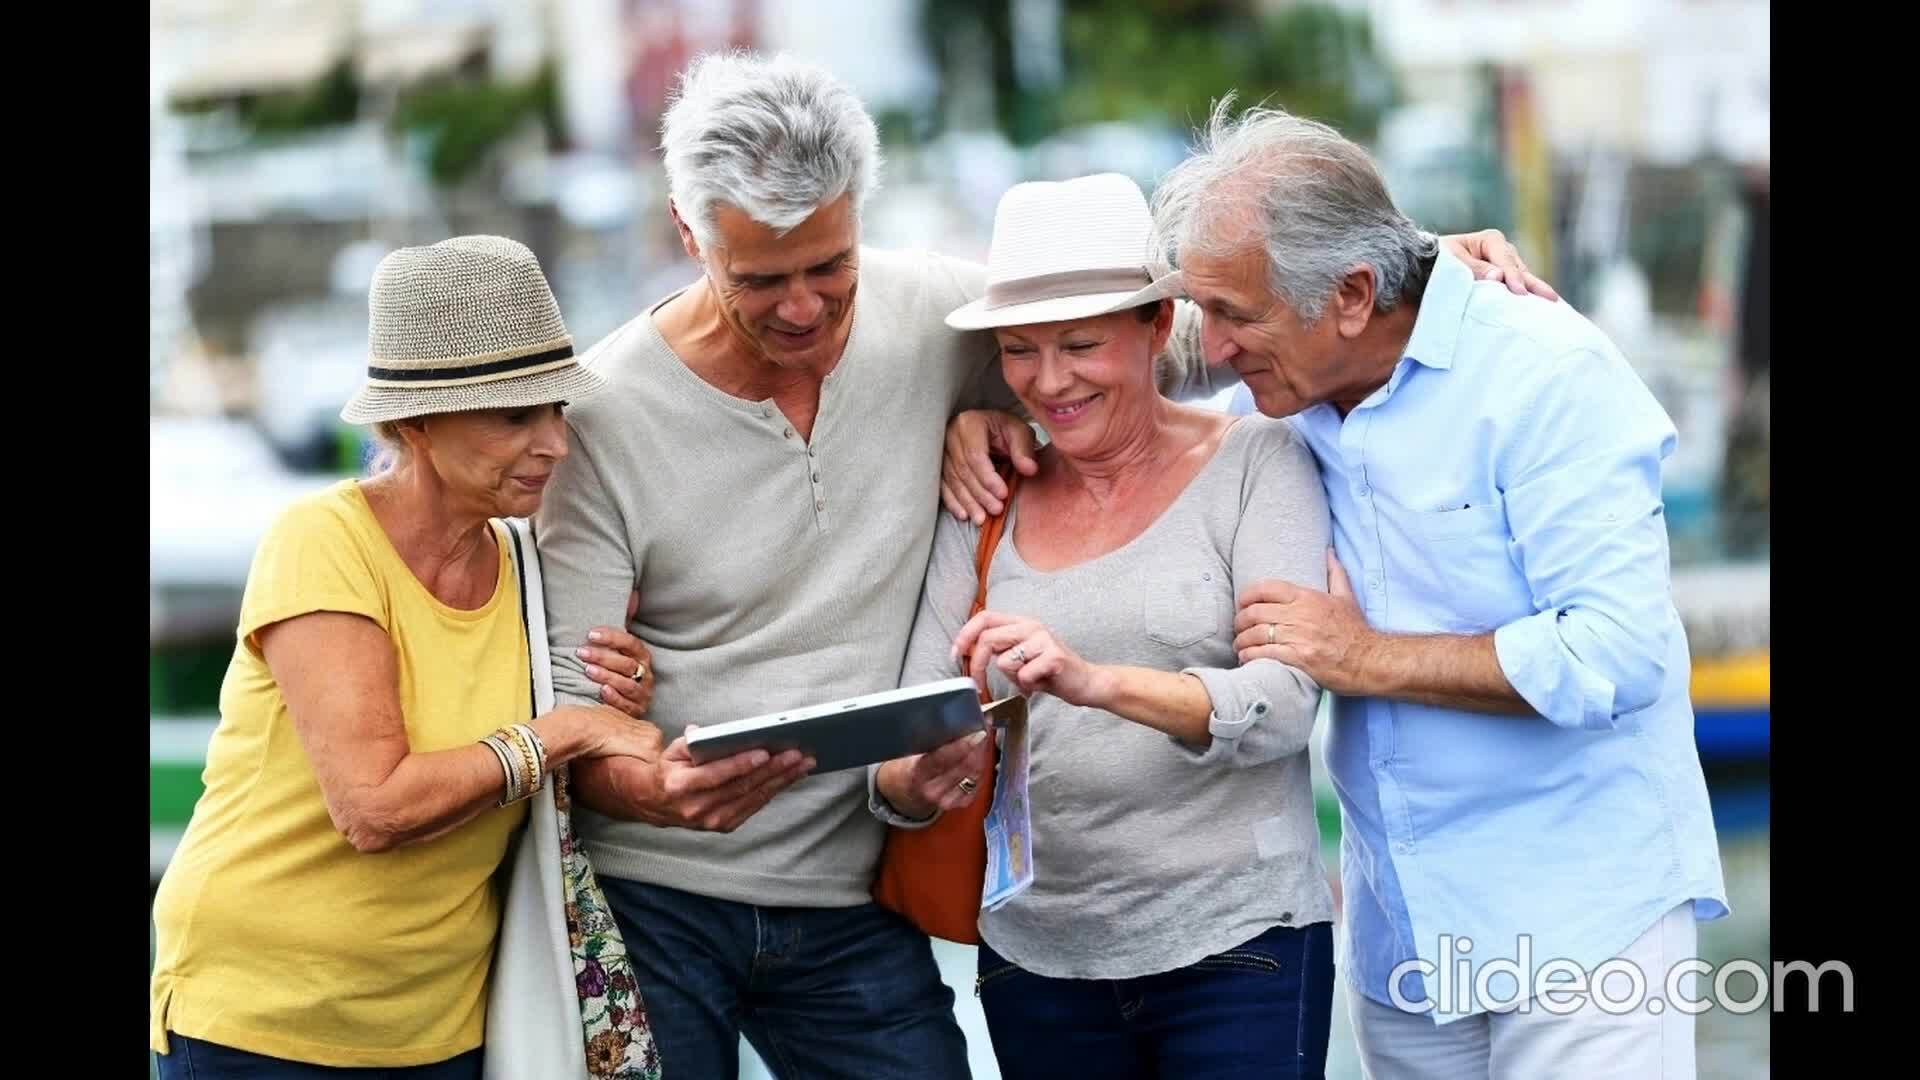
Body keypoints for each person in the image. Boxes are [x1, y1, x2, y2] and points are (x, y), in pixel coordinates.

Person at [530, 49, 1551, 1078]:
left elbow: (1187, 331)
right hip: (662, 897)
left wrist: (1414, 278)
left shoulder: (937, 315)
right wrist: (652, 788)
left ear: (858, 222)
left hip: (851, 897)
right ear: (685, 233)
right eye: (761, 278)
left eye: (829, 267)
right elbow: (579, 702)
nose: (802, 307)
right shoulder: (607, 410)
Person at [956, 102, 1728, 1076]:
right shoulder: (1289, 382)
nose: (1217, 347)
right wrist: (980, 415)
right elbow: (1093, 361)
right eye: (1206, 313)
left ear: (1354, 297)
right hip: (1399, 924)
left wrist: (1361, 655)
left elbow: (1612, 654)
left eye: (1234, 317)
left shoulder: (1547, 377)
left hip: (1583, 920)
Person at [149, 236, 663, 1078]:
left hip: (443, 1027)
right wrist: (566, 731)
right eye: (516, 416)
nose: (556, 446)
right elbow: (373, 806)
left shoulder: (531, 564)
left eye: (557, 412)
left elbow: (591, 712)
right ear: (417, 421)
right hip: (260, 1023)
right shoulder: (321, 541)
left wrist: (619, 687)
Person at [880, 171, 1338, 1079]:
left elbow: (1287, 704)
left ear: (1157, 327)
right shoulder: (987, 492)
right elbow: (908, 733)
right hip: (1037, 962)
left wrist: (1089, 682)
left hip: (1241, 944)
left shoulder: (1258, 460)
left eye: (1081, 345)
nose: (1050, 382)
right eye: (1018, 352)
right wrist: (912, 778)